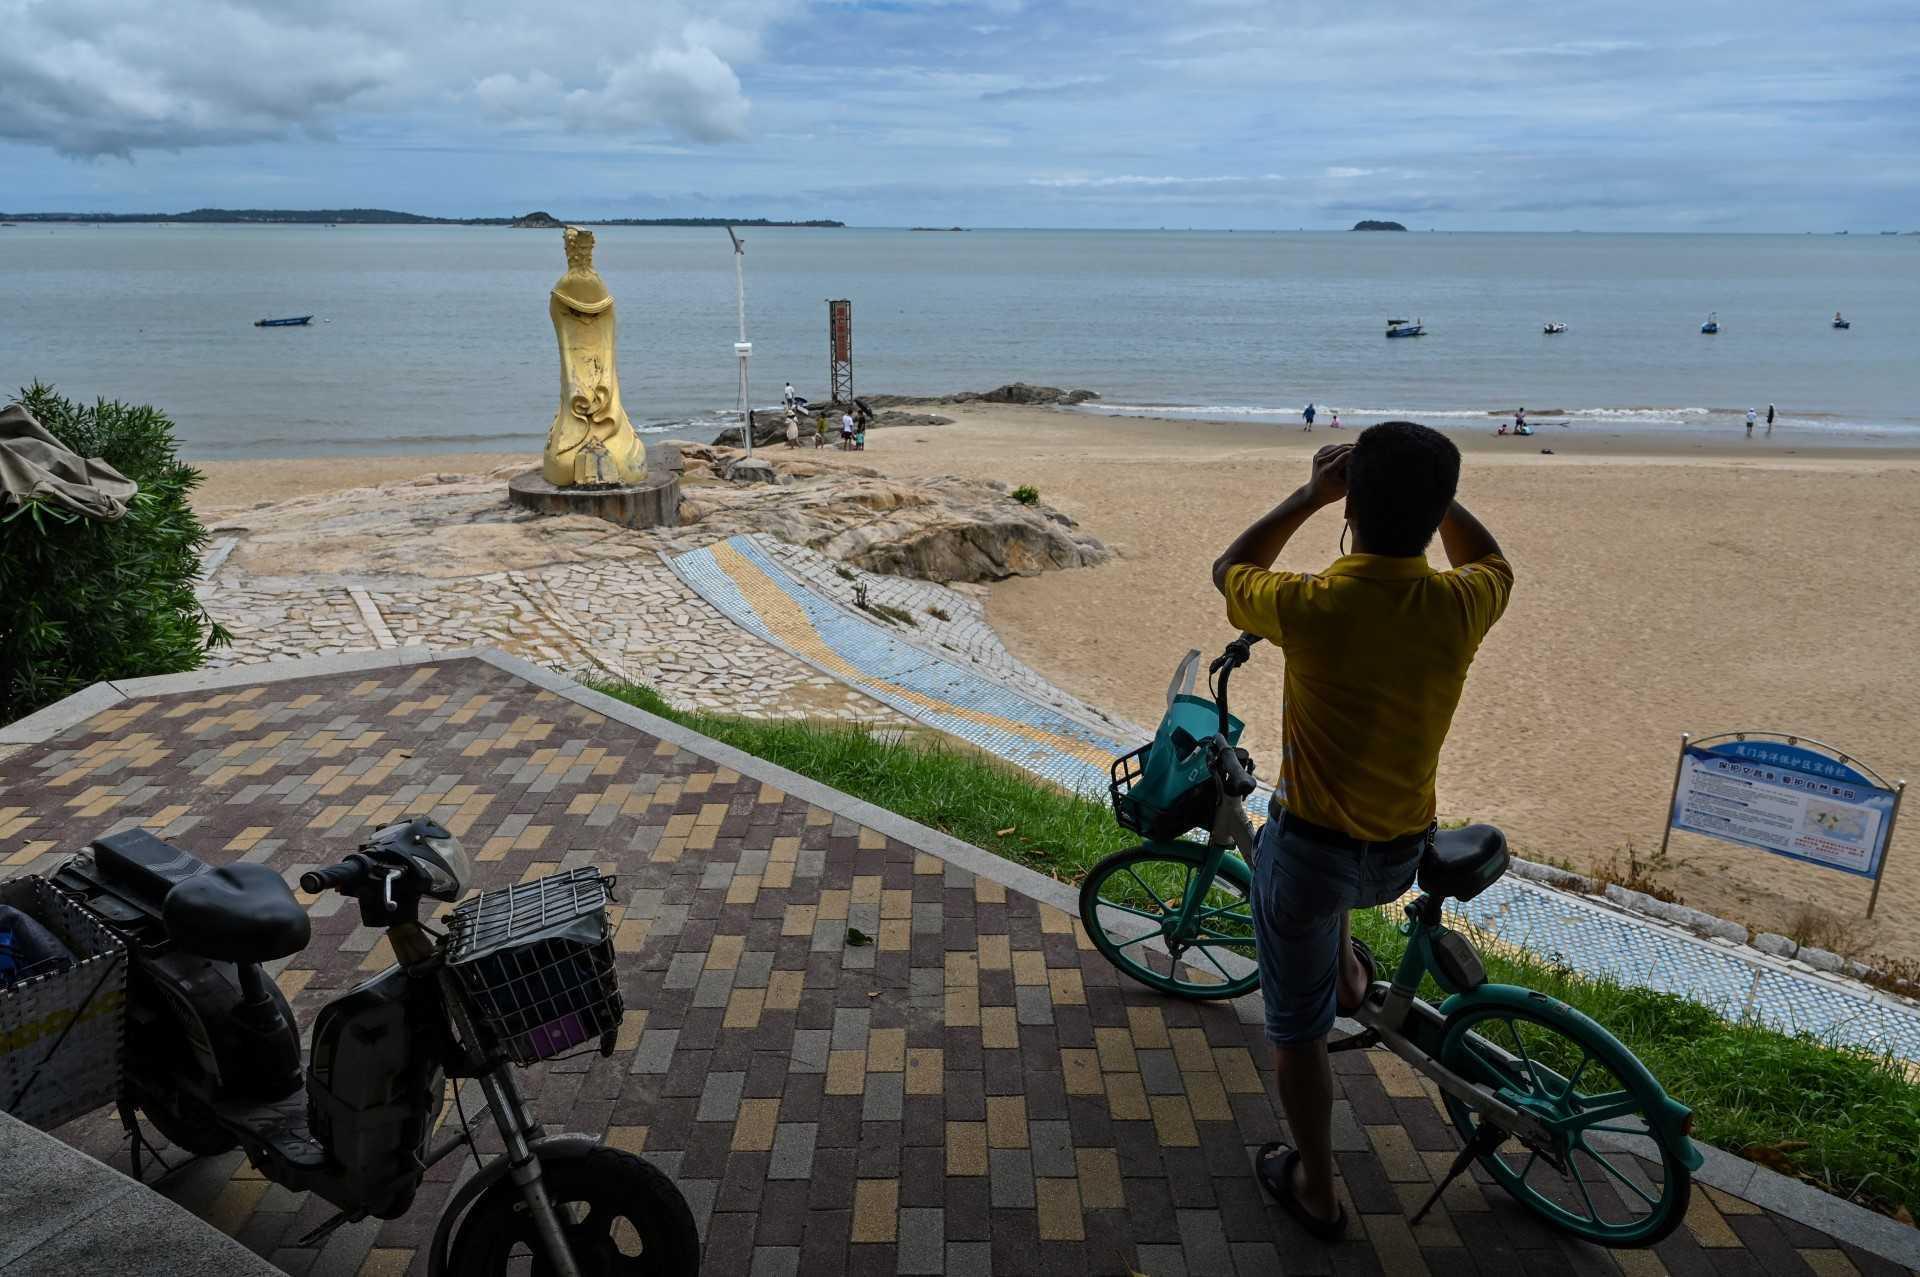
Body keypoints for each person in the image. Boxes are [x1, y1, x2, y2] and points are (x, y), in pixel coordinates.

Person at [1211, 424, 1512, 1241]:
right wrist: (1434, 498)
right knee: (1330, 938)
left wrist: (1311, 494)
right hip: (1403, 852)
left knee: (1295, 1033)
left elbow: (1230, 569)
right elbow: (1495, 563)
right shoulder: (1458, 603)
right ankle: (1349, 978)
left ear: (1353, 507)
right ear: (1437, 511)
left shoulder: (1316, 604)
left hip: (1311, 856)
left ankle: (1315, 1187)